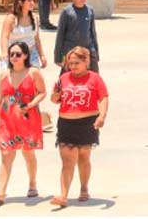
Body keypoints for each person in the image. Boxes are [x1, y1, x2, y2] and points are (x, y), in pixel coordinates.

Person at [49, 47, 109, 208]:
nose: (73, 66)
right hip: (66, 123)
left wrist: (102, 116)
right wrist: (55, 96)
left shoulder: (95, 78)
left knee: (83, 158)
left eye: (76, 63)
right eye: (70, 63)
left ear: (86, 61)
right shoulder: (63, 78)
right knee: (67, 161)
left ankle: (84, 188)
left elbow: (103, 98)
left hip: (87, 123)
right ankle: (63, 195)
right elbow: (54, 100)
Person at [0, 41, 47, 205]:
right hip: (7, 120)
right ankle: (1, 193)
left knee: (28, 152)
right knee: (6, 154)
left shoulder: (33, 72)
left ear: (26, 55)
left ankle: (32, 183)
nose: (14, 57)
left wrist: (31, 104)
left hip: (27, 118)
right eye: (11, 54)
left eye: (18, 54)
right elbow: (0, 98)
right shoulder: (4, 75)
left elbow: (42, 92)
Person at [54, 0, 100, 73]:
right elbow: (60, 35)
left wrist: (96, 53)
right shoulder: (67, 12)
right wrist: (57, 57)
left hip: (88, 51)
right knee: (66, 78)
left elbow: (93, 33)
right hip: (71, 53)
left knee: (93, 77)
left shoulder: (90, 10)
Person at [0, 0, 48, 70]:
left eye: (33, 0)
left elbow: (36, 39)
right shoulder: (11, 18)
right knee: (7, 74)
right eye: (29, 1)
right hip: (14, 55)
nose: (32, 3)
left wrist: (42, 56)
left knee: (34, 75)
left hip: (31, 53)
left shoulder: (34, 17)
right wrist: (4, 52)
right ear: (20, 3)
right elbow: (4, 37)